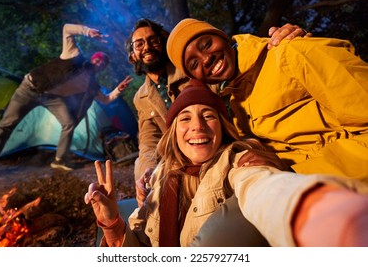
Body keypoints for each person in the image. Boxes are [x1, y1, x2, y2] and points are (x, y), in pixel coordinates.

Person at [84, 80, 368, 247]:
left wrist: (327, 216)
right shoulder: (160, 175)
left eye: (208, 116)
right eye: (184, 118)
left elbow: (264, 189)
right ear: (172, 133)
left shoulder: (237, 161)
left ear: (222, 127)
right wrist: (111, 222)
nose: (197, 127)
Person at [166, 18, 368, 181]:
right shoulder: (237, 105)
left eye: (207, 44)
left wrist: (296, 171)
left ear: (223, 36)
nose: (206, 59)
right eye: (194, 64)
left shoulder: (290, 51)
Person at [127, 18, 310, 181]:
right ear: (132, 55)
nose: (147, 47)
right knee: (141, 169)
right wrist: (148, 169)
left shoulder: (192, 68)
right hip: (183, 154)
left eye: (153, 40)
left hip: (217, 146)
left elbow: (233, 66)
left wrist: (277, 41)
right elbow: (148, 138)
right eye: (139, 44)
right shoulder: (141, 97)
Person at [0, 23, 132, 171]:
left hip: (50, 98)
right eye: (98, 60)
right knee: (7, 124)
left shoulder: (92, 84)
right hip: (29, 88)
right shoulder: (74, 55)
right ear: (92, 58)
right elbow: (66, 29)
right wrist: (87, 31)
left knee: (69, 123)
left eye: (103, 64)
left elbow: (106, 99)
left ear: (102, 69)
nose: (99, 64)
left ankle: (59, 160)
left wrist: (118, 90)